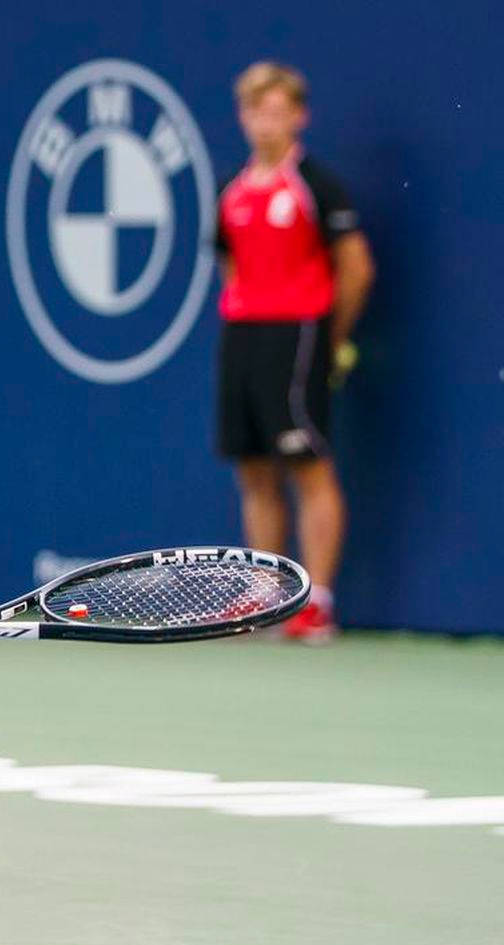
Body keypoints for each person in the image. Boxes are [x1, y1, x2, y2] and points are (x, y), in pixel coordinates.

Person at [215, 61, 374, 643]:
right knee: (254, 470)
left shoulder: (317, 185)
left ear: (299, 116)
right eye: (257, 110)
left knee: (309, 467)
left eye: (278, 110)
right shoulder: (231, 190)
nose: (266, 121)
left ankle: (319, 603)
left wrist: (329, 337)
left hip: (299, 335)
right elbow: (229, 264)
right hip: (242, 335)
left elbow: (356, 268)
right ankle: (267, 594)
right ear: (243, 116)